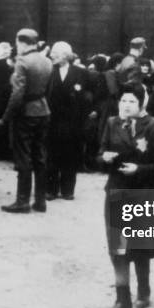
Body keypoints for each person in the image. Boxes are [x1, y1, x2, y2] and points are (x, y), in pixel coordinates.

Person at [99, 84, 154, 308]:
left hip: (143, 192)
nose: (125, 106)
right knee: (117, 246)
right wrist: (104, 158)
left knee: (140, 246)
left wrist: (138, 169)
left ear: (141, 104)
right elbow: (99, 154)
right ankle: (122, 299)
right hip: (117, 190)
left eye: (131, 101)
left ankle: (144, 289)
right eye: (122, 101)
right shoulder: (111, 123)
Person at [0, 29, 53, 213]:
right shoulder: (47, 61)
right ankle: (40, 200)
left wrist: (6, 117)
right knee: (40, 156)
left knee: (23, 157)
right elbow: (48, 89)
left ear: (21, 42)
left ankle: (22, 201)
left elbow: (17, 94)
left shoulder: (22, 61)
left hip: (26, 113)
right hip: (43, 110)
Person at [46, 41, 92, 200]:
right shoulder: (49, 71)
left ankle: (67, 190)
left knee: (70, 156)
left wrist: (83, 116)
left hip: (73, 124)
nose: (51, 55)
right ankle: (50, 189)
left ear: (66, 55)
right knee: (51, 155)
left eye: (55, 53)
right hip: (52, 122)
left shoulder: (81, 73)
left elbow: (89, 96)